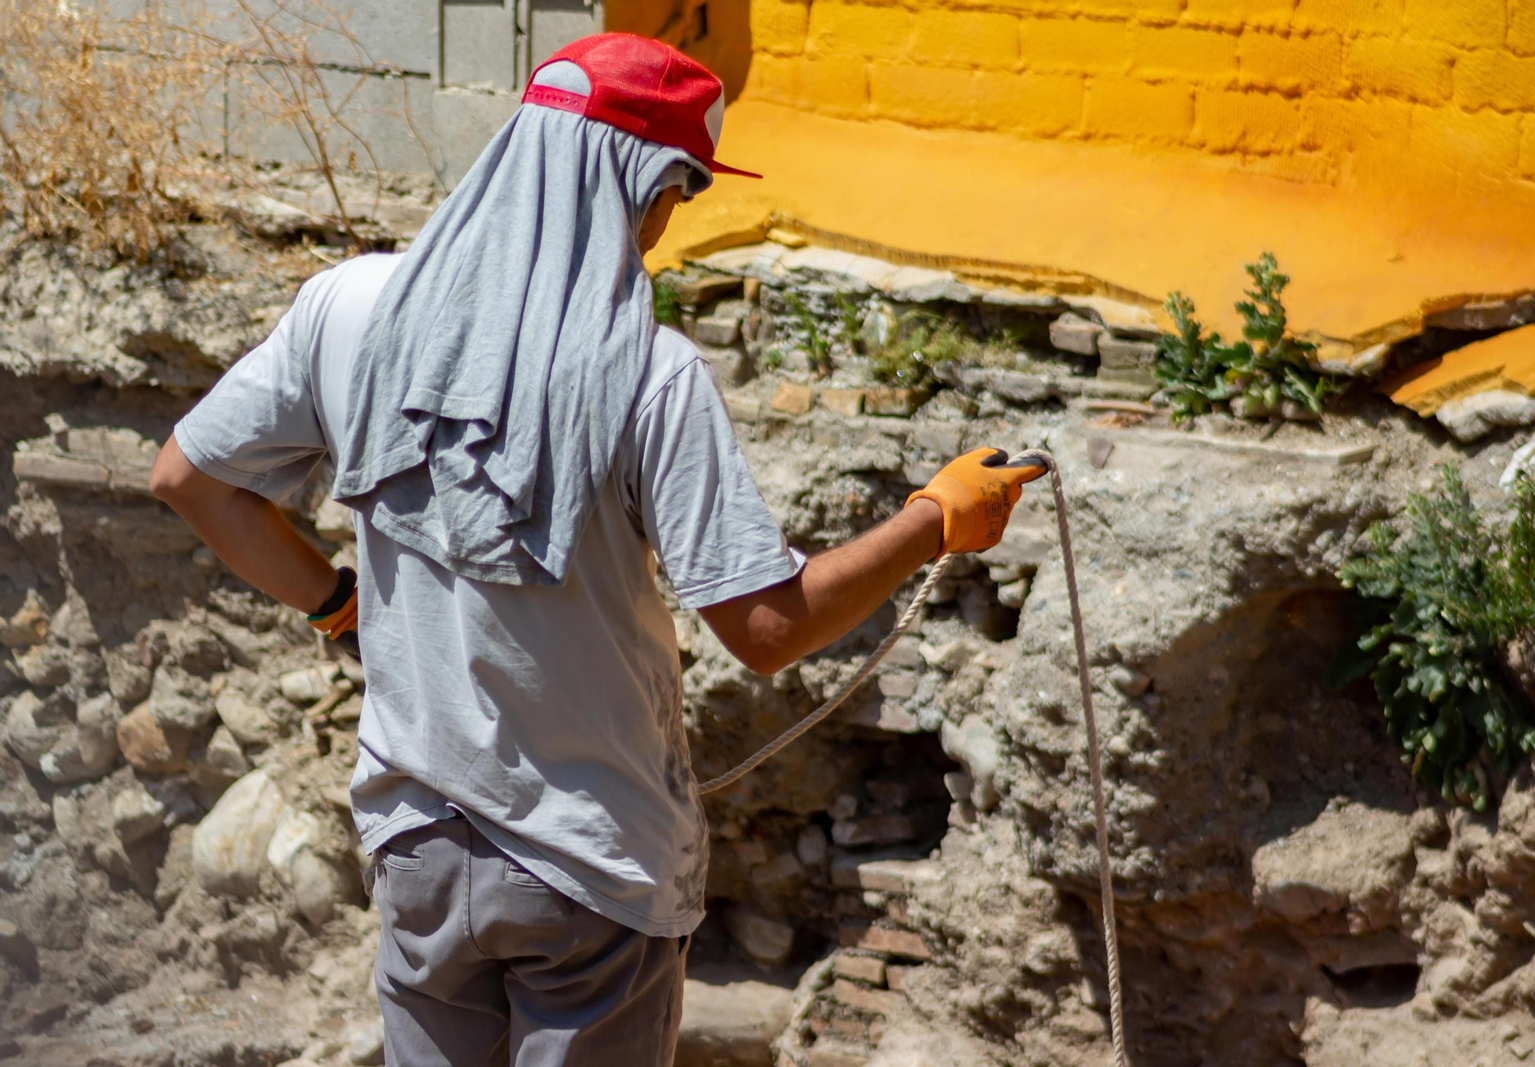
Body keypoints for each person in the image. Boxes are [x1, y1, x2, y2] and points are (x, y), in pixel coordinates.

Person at [150, 32, 1043, 1067]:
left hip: (418, 848)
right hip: (589, 868)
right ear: (638, 181)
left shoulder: (349, 308)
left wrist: (336, 603)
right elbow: (765, 626)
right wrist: (935, 518)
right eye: (678, 193)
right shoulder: (648, 375)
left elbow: (189, 480)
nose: (668, 226)